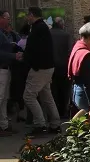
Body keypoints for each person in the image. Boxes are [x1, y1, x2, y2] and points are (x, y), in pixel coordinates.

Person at [22, 7, 61, 135]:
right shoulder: (42, 27)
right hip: (47, 67)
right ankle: (55, 124)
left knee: (28, 96)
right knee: (46, 96)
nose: (27, 18)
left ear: (32, 15)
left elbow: (35, 49)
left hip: (40, 68)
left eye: (28, 15)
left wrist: (30, 62)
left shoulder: (38, 28)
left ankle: (40, 125)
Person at [67, 22, 90, 112]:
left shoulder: (77, 47)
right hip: (85, 95)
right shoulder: (86, 55)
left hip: (77, 91)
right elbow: (88, 82)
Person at [0, 9, 24, 136]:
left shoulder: (3, 33)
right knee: (1, 98)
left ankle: (3, 125)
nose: (9, 21)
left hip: (5, 69)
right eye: (7, 18)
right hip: (1, 69)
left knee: (4, 99)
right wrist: (13, 56)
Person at [50, 17, 74, 118]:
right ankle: (63, 112)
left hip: (50, 66)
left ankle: (53, 113)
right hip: (64, 66)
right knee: (64, 90)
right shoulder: (66, 35)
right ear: (62, 25)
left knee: (53, 90)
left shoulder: (48, 34)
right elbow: (70, 51)